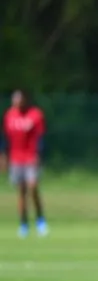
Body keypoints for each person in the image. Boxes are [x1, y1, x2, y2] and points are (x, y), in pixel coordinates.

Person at [2, 90, 48, 237]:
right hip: (16, 158)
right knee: (21, 191)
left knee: (33, 187)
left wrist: (39, 155)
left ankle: (40, 220)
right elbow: (6, 139)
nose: (16, 103)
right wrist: (4, 157)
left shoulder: (35, 114)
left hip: (31, 158)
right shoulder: (9, 115)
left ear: (24, 100)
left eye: (18, 100)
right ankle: (23, 224)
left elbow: (40, 137)